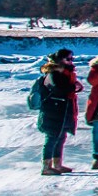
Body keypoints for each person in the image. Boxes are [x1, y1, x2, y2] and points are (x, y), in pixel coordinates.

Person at [36, 48, 81, 176]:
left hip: (62, 110)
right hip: (53, 111)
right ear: (60, 60)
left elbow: (66, 88)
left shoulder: (65, 73)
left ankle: (57, 164)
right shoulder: (53, 73)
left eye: (72, 59)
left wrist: (75, 86)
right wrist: (73, 87)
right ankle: (46, 166)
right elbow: (59, 89)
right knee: (52, 137)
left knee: (60, 136)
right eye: (68, 59)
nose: (71, 61)